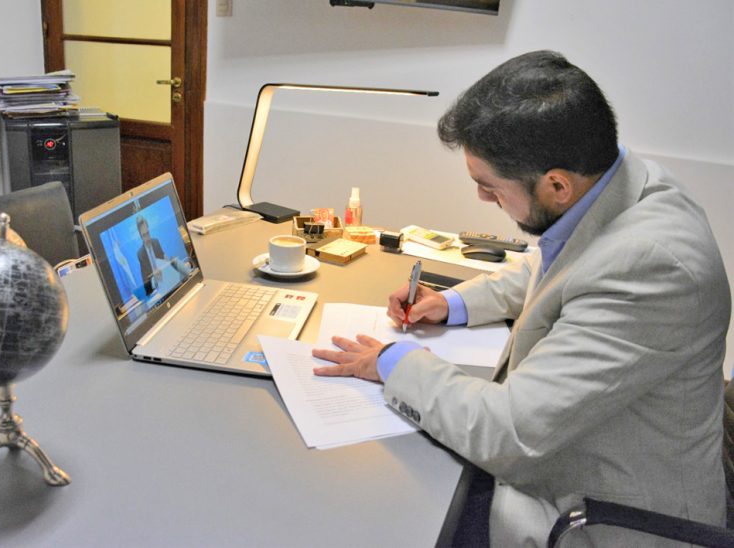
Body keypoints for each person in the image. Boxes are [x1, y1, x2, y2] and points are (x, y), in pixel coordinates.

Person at [312, 50, 731, 546]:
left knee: (385, 512)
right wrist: (452, 303)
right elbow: (554, 261)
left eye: (489, 187)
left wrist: (393, 362)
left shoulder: (652, 267)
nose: (483, 199)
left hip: (602, 516)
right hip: (571, 460)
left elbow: (506, 433)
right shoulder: (618, 182)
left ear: (556, 185)